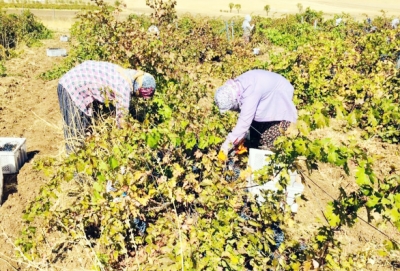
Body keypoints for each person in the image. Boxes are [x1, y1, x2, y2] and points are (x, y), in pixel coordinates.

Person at [57, 60, 156, 153]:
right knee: (75, 134)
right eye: (139, 95)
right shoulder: (123, 87)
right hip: (71, 86)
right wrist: (131, 136)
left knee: (86, 128)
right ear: (137, 89)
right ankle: (74, 166)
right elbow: (121, 123)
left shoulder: (128, 74)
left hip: (77, 80)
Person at [214, 70, 297, 161]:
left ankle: (272, 161)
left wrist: (226, 147)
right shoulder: (236, 86)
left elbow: (244, 123)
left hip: (279, 95)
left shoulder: (250, 92)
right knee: (253, 135)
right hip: (271, 90)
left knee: (269, 139)